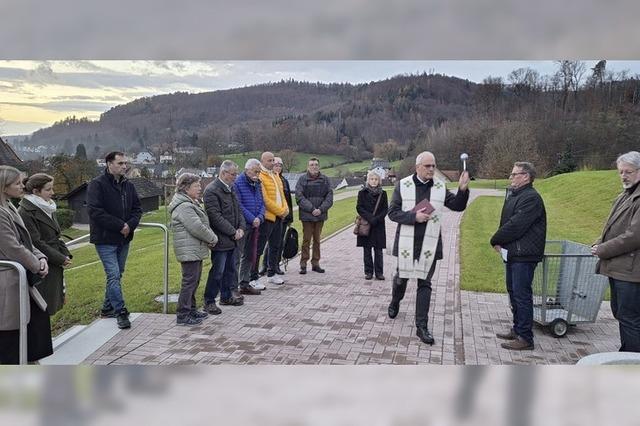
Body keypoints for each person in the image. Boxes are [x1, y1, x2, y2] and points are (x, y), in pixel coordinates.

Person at [387, 151, 469, 345]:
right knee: (401, 279)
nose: (432, 169)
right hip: (407, 242)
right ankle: (395, 301)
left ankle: (421, 326)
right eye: (428, 166)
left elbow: (457, 206)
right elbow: (392, 213)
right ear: (417, 167)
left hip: (430, 243)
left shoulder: (440, 187)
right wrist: (413, 217)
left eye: (433, 166)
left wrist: (463, 190)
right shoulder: (403, 185)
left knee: (425, 284)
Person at [490, 161, 546, 351]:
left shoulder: (531, 198)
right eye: (511, 174)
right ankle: (517, 329)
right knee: (514, 292)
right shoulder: (517, 195)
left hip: (524, 255)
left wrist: (495, 239)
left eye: (515, 174)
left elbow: (516, 224)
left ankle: (525, 337)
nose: (511, 177)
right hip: (514, 253)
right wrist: (502, 242)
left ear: (526, 177)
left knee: (522, 295)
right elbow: (507, 221)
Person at [0, 165, 52, 364]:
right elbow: (12, 246)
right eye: (18, 183)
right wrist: (36, 265)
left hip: (20, 279)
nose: (23, 186)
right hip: (9, 282)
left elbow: (26, 240)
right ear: (4, 187)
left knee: (33, 324)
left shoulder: (10, 206)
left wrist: (41, 257)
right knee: (13, 335)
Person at [87, 152, 142, 329]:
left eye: (125, 163)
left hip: (124, 239)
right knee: (113, 274)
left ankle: (107, 308)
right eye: (120, 163)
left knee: (117, 274)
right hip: (105, 239)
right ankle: (120, 312)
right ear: (109, 164)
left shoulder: (129, 186)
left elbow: (137, 210)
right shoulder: (97, 185)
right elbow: (95, 211)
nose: (124, 166)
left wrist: (129, 225)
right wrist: (120, 225)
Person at [592, 151, 640, 352]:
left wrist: (602, 249)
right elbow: (612, 227)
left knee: (629, 318)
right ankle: (628, 353)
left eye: (628, 171)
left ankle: (631, 361)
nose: (623, 176)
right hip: (619, 268)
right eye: (620, 172)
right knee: (621, 314)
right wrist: (598, 242)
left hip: (631, 270)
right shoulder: (625, 195)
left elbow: (634, 236)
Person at [18, 173, 72, 316]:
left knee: (51, 303)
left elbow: (55, 235)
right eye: (48, 189)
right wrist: (59, 258)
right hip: (43, 263)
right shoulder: (26, 211)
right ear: (36, 191)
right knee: (43, 305)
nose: (52, 193)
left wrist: (65, 254)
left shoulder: (47, 207)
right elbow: (36, 242)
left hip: (53, 259)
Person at [169, 173, 218, 325]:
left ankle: (191, 309)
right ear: (186, 187)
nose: (200, 188)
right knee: (189, 282)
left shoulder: (190, 202)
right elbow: (197, 227)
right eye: (196, 185)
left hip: (194, 249)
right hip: (189, 250)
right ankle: (183, 314)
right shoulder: (184, 206)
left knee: (194, 281)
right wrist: (213, 238)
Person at [203, 160, 245, 311]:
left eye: (236, 174)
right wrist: (233, 232)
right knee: (217, 271)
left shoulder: (231, 188)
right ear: (223, 173)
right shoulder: (212, 190)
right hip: (220, 240)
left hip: (233, 239)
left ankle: (226, 297)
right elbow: (215, 217)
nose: (235, 177)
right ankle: (209, 301)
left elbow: (238, 211)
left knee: (230, 270)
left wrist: (241, 228)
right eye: (233, 174)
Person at [254, 152, 289, 285]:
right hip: (268, 218)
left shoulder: (275, 175)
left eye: (273, 160)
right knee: (260, 248)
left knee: (276, 245)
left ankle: (272, 273)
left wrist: (285, 209)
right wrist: (280, 211)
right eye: (269, 160)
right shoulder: (261, 176)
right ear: (262, 161)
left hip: (279, 217)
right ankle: (254, 276)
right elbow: (265, 200)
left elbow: (282, 195)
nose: (273, 163)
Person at [295, 157, 333, 274]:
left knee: (317, 240)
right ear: (308, 166)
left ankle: (315, 263)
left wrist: (320, 209)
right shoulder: (302, 179)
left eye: (316, 164)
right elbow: (299, 197)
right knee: (306, 240)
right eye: (311, 164)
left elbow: (329, 197)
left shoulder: (325, 180)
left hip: (320, 215)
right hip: (307, 215)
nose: (314, 166)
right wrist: (311, 209)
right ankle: (303, 263)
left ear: (319, 166)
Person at [234, 158, 265, 294]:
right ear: (247, 170)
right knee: (237, 257)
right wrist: (252, 219)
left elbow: (262, 202)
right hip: (243, 225)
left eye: (258, 172)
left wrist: (260, 217)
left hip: (255, 225)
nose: (257, 174)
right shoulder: (238, 183)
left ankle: (245, 284)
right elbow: (239, 205)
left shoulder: (257, 183)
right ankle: (233, 287)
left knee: (249, 255)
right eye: (255, 171)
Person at [261, 156, 293, 275]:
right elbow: (267, 200)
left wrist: (287, 214)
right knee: (268, 244)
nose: (278, 167)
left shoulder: (283, 180)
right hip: (271, 216)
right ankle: (265, 265)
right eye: (276, 164)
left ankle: (274, 266)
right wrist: (280, 211)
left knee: (278, 243)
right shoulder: (266, 178)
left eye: (280, 165)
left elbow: (286, 199)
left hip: (283, 216)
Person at [356, 171, 389, 280]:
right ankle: (368, 272)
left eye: (376, 179)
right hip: (366, 224)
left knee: (378, 250)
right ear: (368, 180)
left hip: (378, 225)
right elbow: (359, 207)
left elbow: (385, 209)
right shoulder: (362, 193)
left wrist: (377, 219)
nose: (374, 181)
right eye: (372, 179)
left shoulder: (383, 193)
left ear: (379, 181)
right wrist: (370, 218)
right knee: (367, 250)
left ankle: (379, 272)